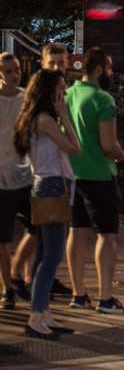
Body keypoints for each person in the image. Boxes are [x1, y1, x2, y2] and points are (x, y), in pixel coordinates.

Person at [13, 69, 81, 339]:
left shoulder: (39, 118)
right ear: (48, 92)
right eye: (61, 88)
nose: (64, 93)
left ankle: (43, 315)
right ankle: (35, 317)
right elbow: (76, 148)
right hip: (51, 187)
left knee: (44, 254)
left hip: (48, 186)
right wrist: (64, 115)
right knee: (52, 256)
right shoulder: (44, 120)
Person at [64, 47, 124, 315]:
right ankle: (106, 298)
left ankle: (79, 295)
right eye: (110, 68)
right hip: (99, 175)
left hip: (71, 174)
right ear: (100, 69)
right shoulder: (103, 100)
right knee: (107, 236)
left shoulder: (66, 95)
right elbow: (107, 144)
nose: (111, 73)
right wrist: (120, 153)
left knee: (76, 232)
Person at [0, 52, 32, 310]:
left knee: (38, 227)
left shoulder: (25, 98)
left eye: (17, 70)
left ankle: (16, 272)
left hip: (26, 177)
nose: (14, 74)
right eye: (9, 71)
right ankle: (7, 289)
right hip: (1, 181)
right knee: (3, 238)